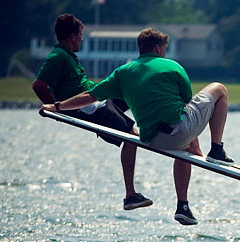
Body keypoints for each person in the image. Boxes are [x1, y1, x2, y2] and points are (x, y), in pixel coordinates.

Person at [40, 27, 234, 226]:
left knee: (184, 145)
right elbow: (186, 104)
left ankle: (183, 208)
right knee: (219, 89)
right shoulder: (173, 66)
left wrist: (57, 106)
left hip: (151, 138)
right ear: (159, 48)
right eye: (165, 48)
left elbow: (89, 96)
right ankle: (216, 149)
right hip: (178, 130)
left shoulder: (123, 72)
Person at [33, 14, 152, 211]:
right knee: (131, 137)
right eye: (80, 35)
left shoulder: (68, 55)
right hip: (92, 108)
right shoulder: (58, 56)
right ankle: (130, 195)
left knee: (133, 92)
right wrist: (57, 108)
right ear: (72, 36)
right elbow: (38, 85)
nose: (81, 39)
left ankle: (162, 129)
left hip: (98, 98)